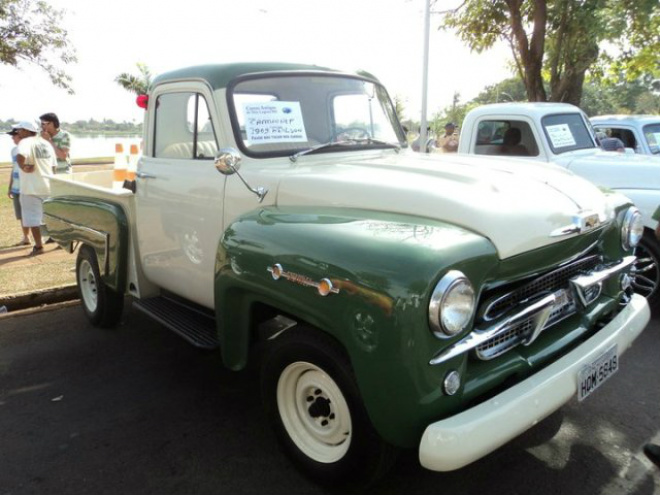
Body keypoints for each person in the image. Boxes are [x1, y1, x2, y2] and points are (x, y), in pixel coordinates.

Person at [14, 120, 56, 256]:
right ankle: (60, 241)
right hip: (48, 185)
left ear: (26, 131)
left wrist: (23, 167)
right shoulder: (46, 144)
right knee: (51, 216)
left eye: (19, 130)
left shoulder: (25, 142)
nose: (17, 132)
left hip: (30, 188)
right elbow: (53, 166)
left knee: (33, 219)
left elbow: (20, 156)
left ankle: (39, 246)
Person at [6, 128, 30, 246]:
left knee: (30, 213)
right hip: (16, 188)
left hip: (27, 187)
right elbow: (13, 168)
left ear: (20, 136)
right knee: (20, 215)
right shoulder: (13, 150)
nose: (12, 138)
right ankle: (26, 237)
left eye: (14, 135)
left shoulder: (28, 149)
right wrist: (10, 187)